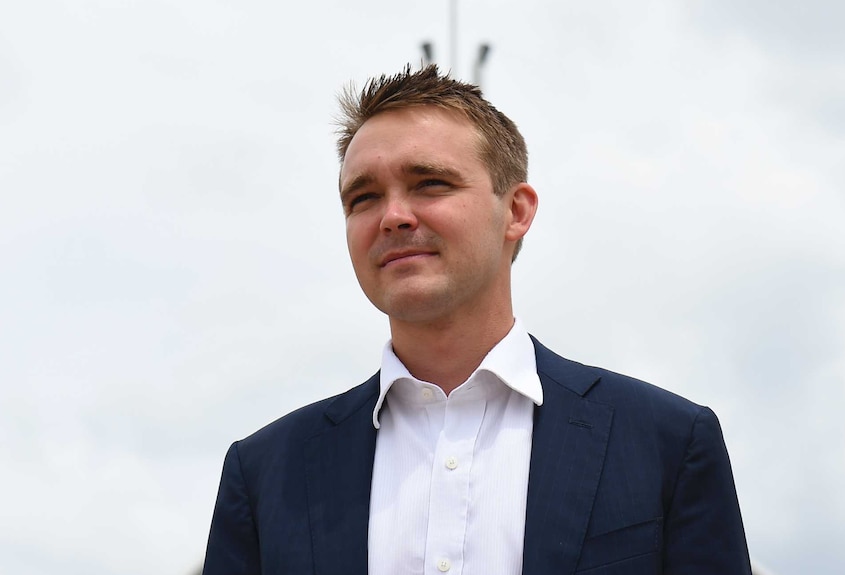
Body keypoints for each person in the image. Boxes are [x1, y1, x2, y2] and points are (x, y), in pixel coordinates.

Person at [202, 65, 751, 575]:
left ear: (515, 211)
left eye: (430, 183)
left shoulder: (668, 444)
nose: (393, 216)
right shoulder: (264, 474)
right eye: (363, 197)